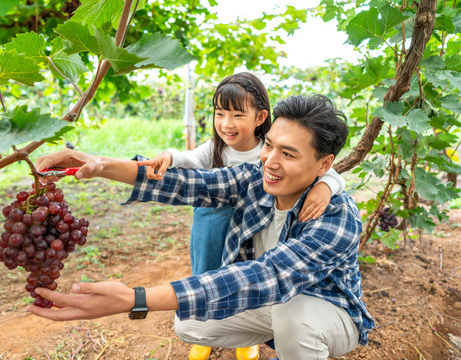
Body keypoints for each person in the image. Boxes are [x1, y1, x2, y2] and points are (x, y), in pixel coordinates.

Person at [29, 94, 375, 360]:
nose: (269, 160)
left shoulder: (336, 214)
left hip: (328, 310)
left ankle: (299, 344)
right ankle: (277, 337)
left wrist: (135, 299)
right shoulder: (255, 179)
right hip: (275, 302)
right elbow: (188, 184)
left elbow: (270, 275)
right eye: (269, 145)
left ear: (324, 164)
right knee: (190, 321)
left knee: (293, 315)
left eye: (288, 154)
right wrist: (99, 164)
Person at [142, 73, 346, 360]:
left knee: (248, 274)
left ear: (260, 117)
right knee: (207, 270)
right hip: (212, 220)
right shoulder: (216, 149)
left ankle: (244, 337)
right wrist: (168, 157)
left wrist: (325, 186)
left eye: (238, 114)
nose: (227, 123)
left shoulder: (270, 146)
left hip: (249, 224)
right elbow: (188, 160)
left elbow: (328, 169)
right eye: (220, 113)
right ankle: (206, 325)